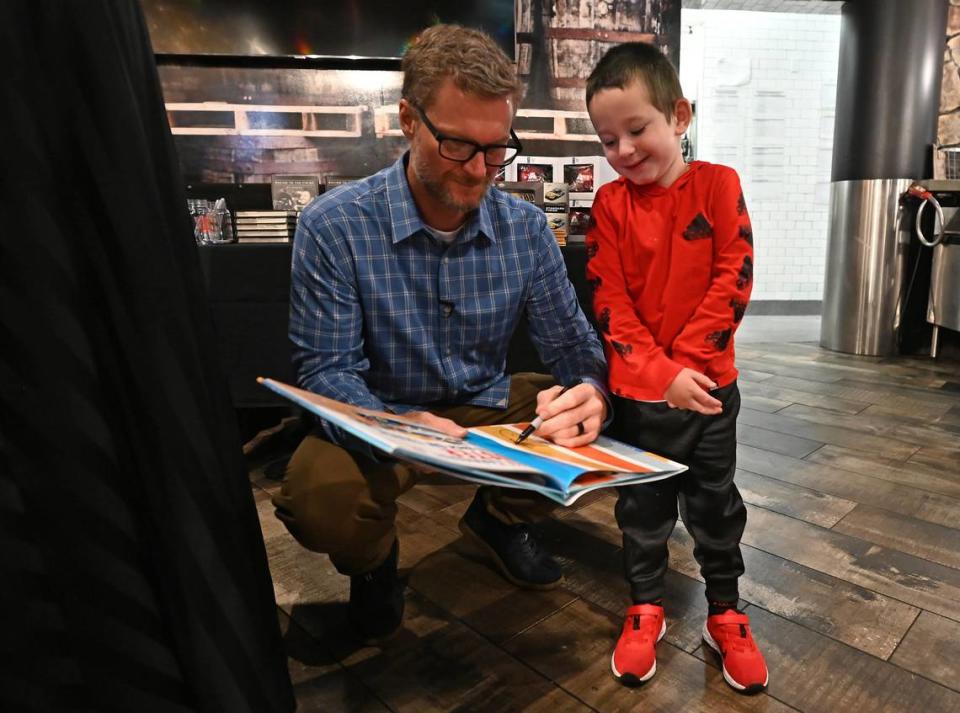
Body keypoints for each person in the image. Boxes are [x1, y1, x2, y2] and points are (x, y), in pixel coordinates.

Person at [273, 24, 610, 644]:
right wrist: (399, 426)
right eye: (457, 146)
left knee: (602, 416)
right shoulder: (335, 226)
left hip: (486, 403)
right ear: (407, 119)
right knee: (321, 499)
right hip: (381, 410)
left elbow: (573, 344)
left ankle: (499, 520)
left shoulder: (527, 228)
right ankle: (373, 566)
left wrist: (590, 387)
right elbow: (327, 370)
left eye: (495, 148)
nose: (481, 171)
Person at [584, 43, 767, 693]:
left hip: (711, 391)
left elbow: (735, 275)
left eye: (637, 130)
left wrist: (688, 366)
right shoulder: (609, 207)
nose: (624, 150)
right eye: (609, 139)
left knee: (716, 506)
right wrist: (661, 375)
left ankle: (725, 611)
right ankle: (645, 606)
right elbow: (609, 298)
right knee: (642, 506)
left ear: (678, 116)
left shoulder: (718, 185)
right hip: (641, 396)